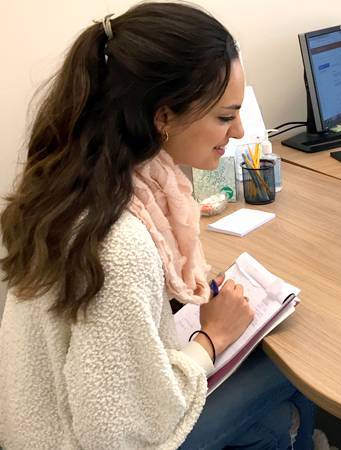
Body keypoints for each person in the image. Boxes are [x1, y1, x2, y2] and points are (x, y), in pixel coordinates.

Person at [0, 3, 315, 449]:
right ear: (163, 117)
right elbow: (117, 430)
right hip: (79, 437)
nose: (240, 131)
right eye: (225, 116)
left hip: (37, 423)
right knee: (292, 373)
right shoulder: (119, 242)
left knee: (282, 416)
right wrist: (210, 339)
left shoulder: (70, 183)